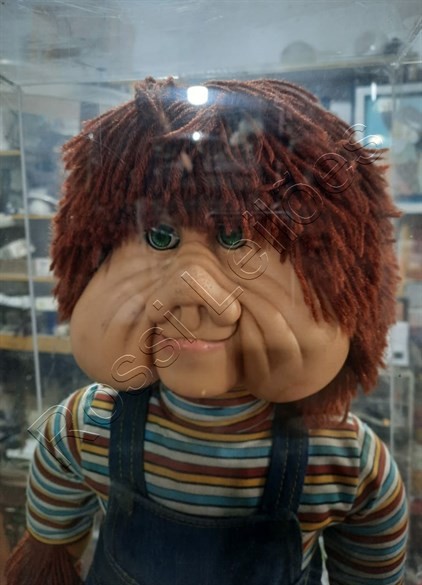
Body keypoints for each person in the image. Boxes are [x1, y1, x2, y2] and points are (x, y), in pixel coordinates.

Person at [6, 77, 408, 585]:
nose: (193, 294)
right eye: (160, 236)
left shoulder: (342, 458)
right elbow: (51, 541)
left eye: (236, 238)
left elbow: (372, 567)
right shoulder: (88, 427)